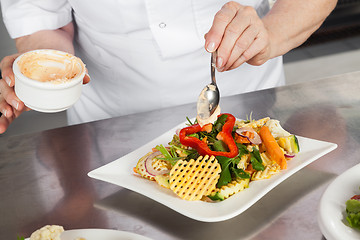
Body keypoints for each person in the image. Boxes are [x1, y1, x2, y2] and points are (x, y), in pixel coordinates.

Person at [0, 0, 337, 134]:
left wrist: (270, 34)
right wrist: (43, 71)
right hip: (108, 126)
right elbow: (41, 15)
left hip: (248, 108)